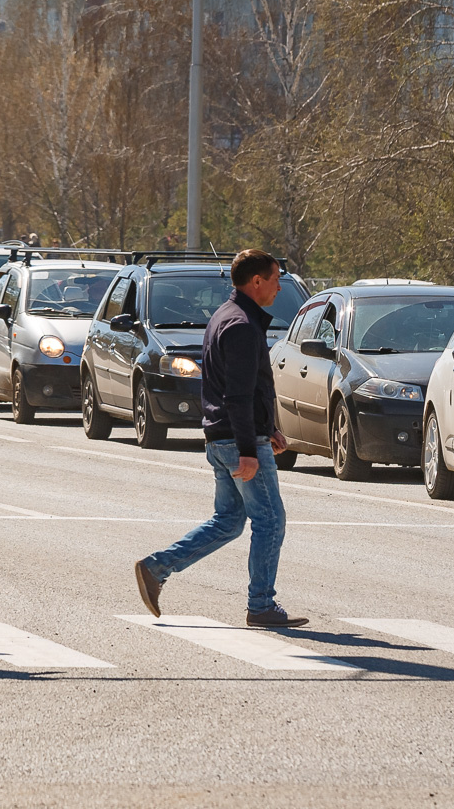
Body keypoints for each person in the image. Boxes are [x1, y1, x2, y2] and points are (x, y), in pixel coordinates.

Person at [133, 249, 305, 628]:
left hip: (223, 436)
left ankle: (155, 568)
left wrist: (267, 428)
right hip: (236, 440)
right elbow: (237, 394)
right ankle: (261, 605)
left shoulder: (226, 317)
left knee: (228, 521)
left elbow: (241, 388)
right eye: (275, 278)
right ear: (256, 282)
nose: (279, 285)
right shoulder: (242, 324)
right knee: (270, 521)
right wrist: (250, 448)